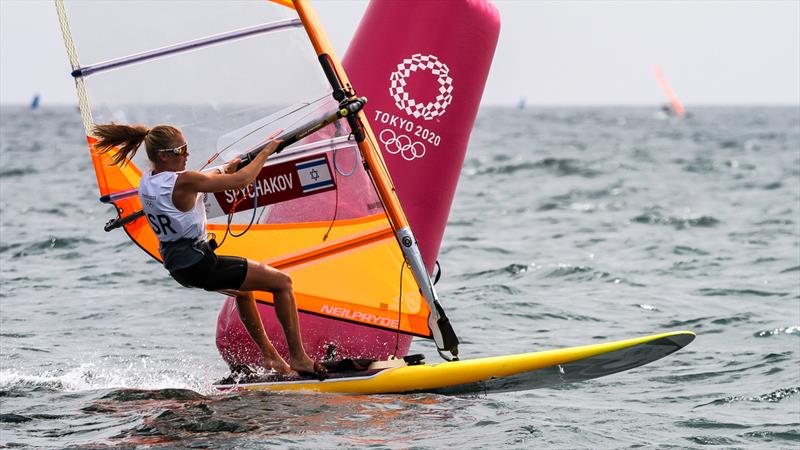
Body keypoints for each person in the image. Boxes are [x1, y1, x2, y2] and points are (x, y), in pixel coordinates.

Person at [92, 123, 326, 380]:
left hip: (178, 266)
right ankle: (299, 358)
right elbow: (242, 180)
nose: (187, 154)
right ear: (163, 155)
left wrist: (221, 171)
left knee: (244, 292)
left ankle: (271, 357)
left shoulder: (147, 180)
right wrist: (268, 150)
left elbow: (194, 182)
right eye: (181, 150)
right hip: (201, 263)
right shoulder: (187, 180)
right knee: (282, 283)